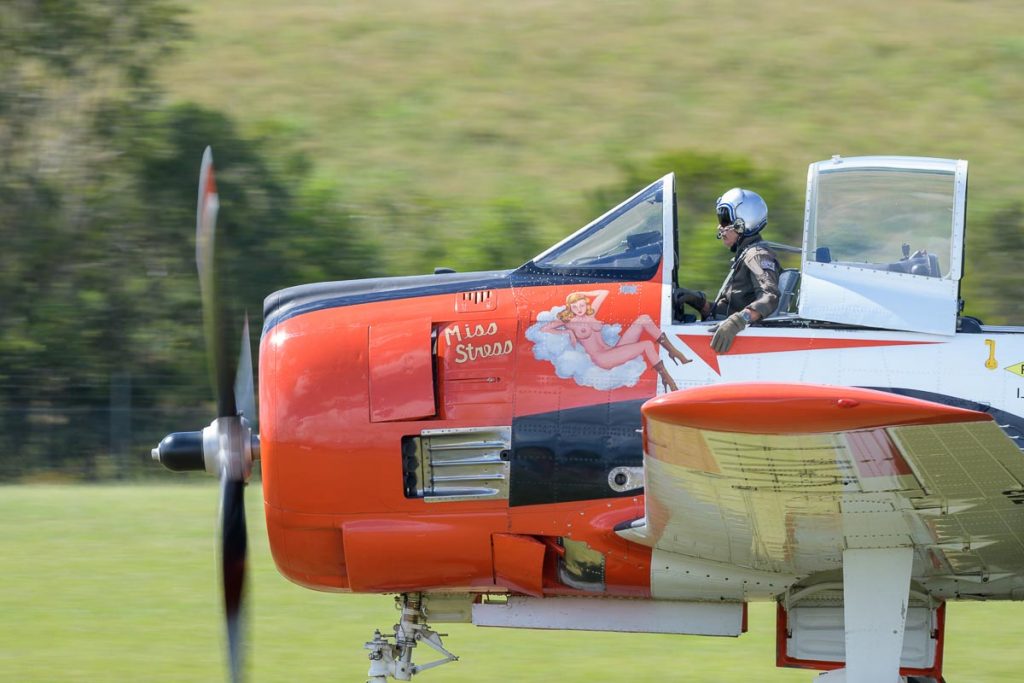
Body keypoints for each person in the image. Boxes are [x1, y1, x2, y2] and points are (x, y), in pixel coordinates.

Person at [674, 188, 780, 353]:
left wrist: (737, 322)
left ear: (741, 224)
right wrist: (699, 302)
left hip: (741, 347)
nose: (719, 227)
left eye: (724, 221)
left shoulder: (756, 255)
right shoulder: (745, 254)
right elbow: (730, 309)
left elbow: (770, 297)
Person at [541, 289, 691, 391]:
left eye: (581, 305)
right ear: (570, 308)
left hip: (612, 350)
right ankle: (668, 379)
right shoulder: (570, 322)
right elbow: (545, 328)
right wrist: (568, 331)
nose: (579, 309)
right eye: (574, 307)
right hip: (603, 359)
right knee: (647, 345)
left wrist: (583, 293)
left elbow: (604, 292)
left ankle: (674, 352)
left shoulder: (591, 314)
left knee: (644, 319)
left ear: (586, 304)